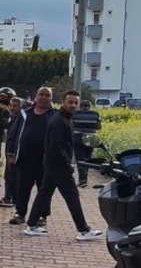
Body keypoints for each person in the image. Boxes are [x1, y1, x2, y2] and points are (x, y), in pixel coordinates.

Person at [24, 90, 104, 241]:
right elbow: (55, 147)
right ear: (63, 102)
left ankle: (32, 224)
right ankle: (83, 230)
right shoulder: (58, 121)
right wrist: (67, 165)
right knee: (72, 195)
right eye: (70, 102)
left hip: (53, 164)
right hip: (58, 165)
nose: (73, 105)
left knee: (44, 193)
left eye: (75, 103)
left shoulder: (65, 119)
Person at [9, 87, 55, 226]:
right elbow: (13, 134)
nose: (44, 97)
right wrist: (10, 152)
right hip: (24, 159)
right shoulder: (25, 114)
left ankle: (42, 215)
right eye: (41, 94)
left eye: (47, 95)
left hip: (45, 161)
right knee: (22, 187)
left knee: (44, 189)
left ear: (51, 99)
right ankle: (20, 213)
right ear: (36, 96)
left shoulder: (54, 116)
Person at [0, 97, 23, 208]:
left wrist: (13, 152)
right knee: (9, 176)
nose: (12, 108)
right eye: (11, 105)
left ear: (20, 107)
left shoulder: (20, 119)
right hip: (9, 151)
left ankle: (9, 198)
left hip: (13, 153)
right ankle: (9, 197)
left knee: (11, 176)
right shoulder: (13, 117)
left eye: (15, 106)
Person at [72, 99, 102, 187]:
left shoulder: (75, 114)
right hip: (91, 138)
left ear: (80, 106)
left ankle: (83, 180)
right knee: (87, 159)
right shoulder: (95, 114)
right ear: (89, 106)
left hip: (77, 137)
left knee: (80, 159)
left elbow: (71, 125)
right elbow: (99, 127)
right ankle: (85, 178)